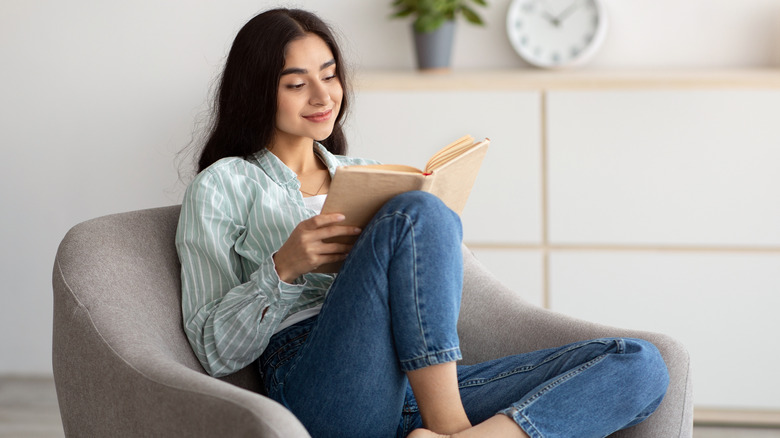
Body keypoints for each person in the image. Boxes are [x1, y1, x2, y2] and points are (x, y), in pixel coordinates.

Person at [176, 8, 669, 438]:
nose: (323, 95)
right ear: (259, 91)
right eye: (297, 84)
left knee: (641, 364)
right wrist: (282, 267)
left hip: (413, 383)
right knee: (419, 213)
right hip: (318, 387)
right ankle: (452, 427)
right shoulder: (223, 185)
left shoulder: (363, 174)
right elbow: (211, 350)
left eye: (329, 75)